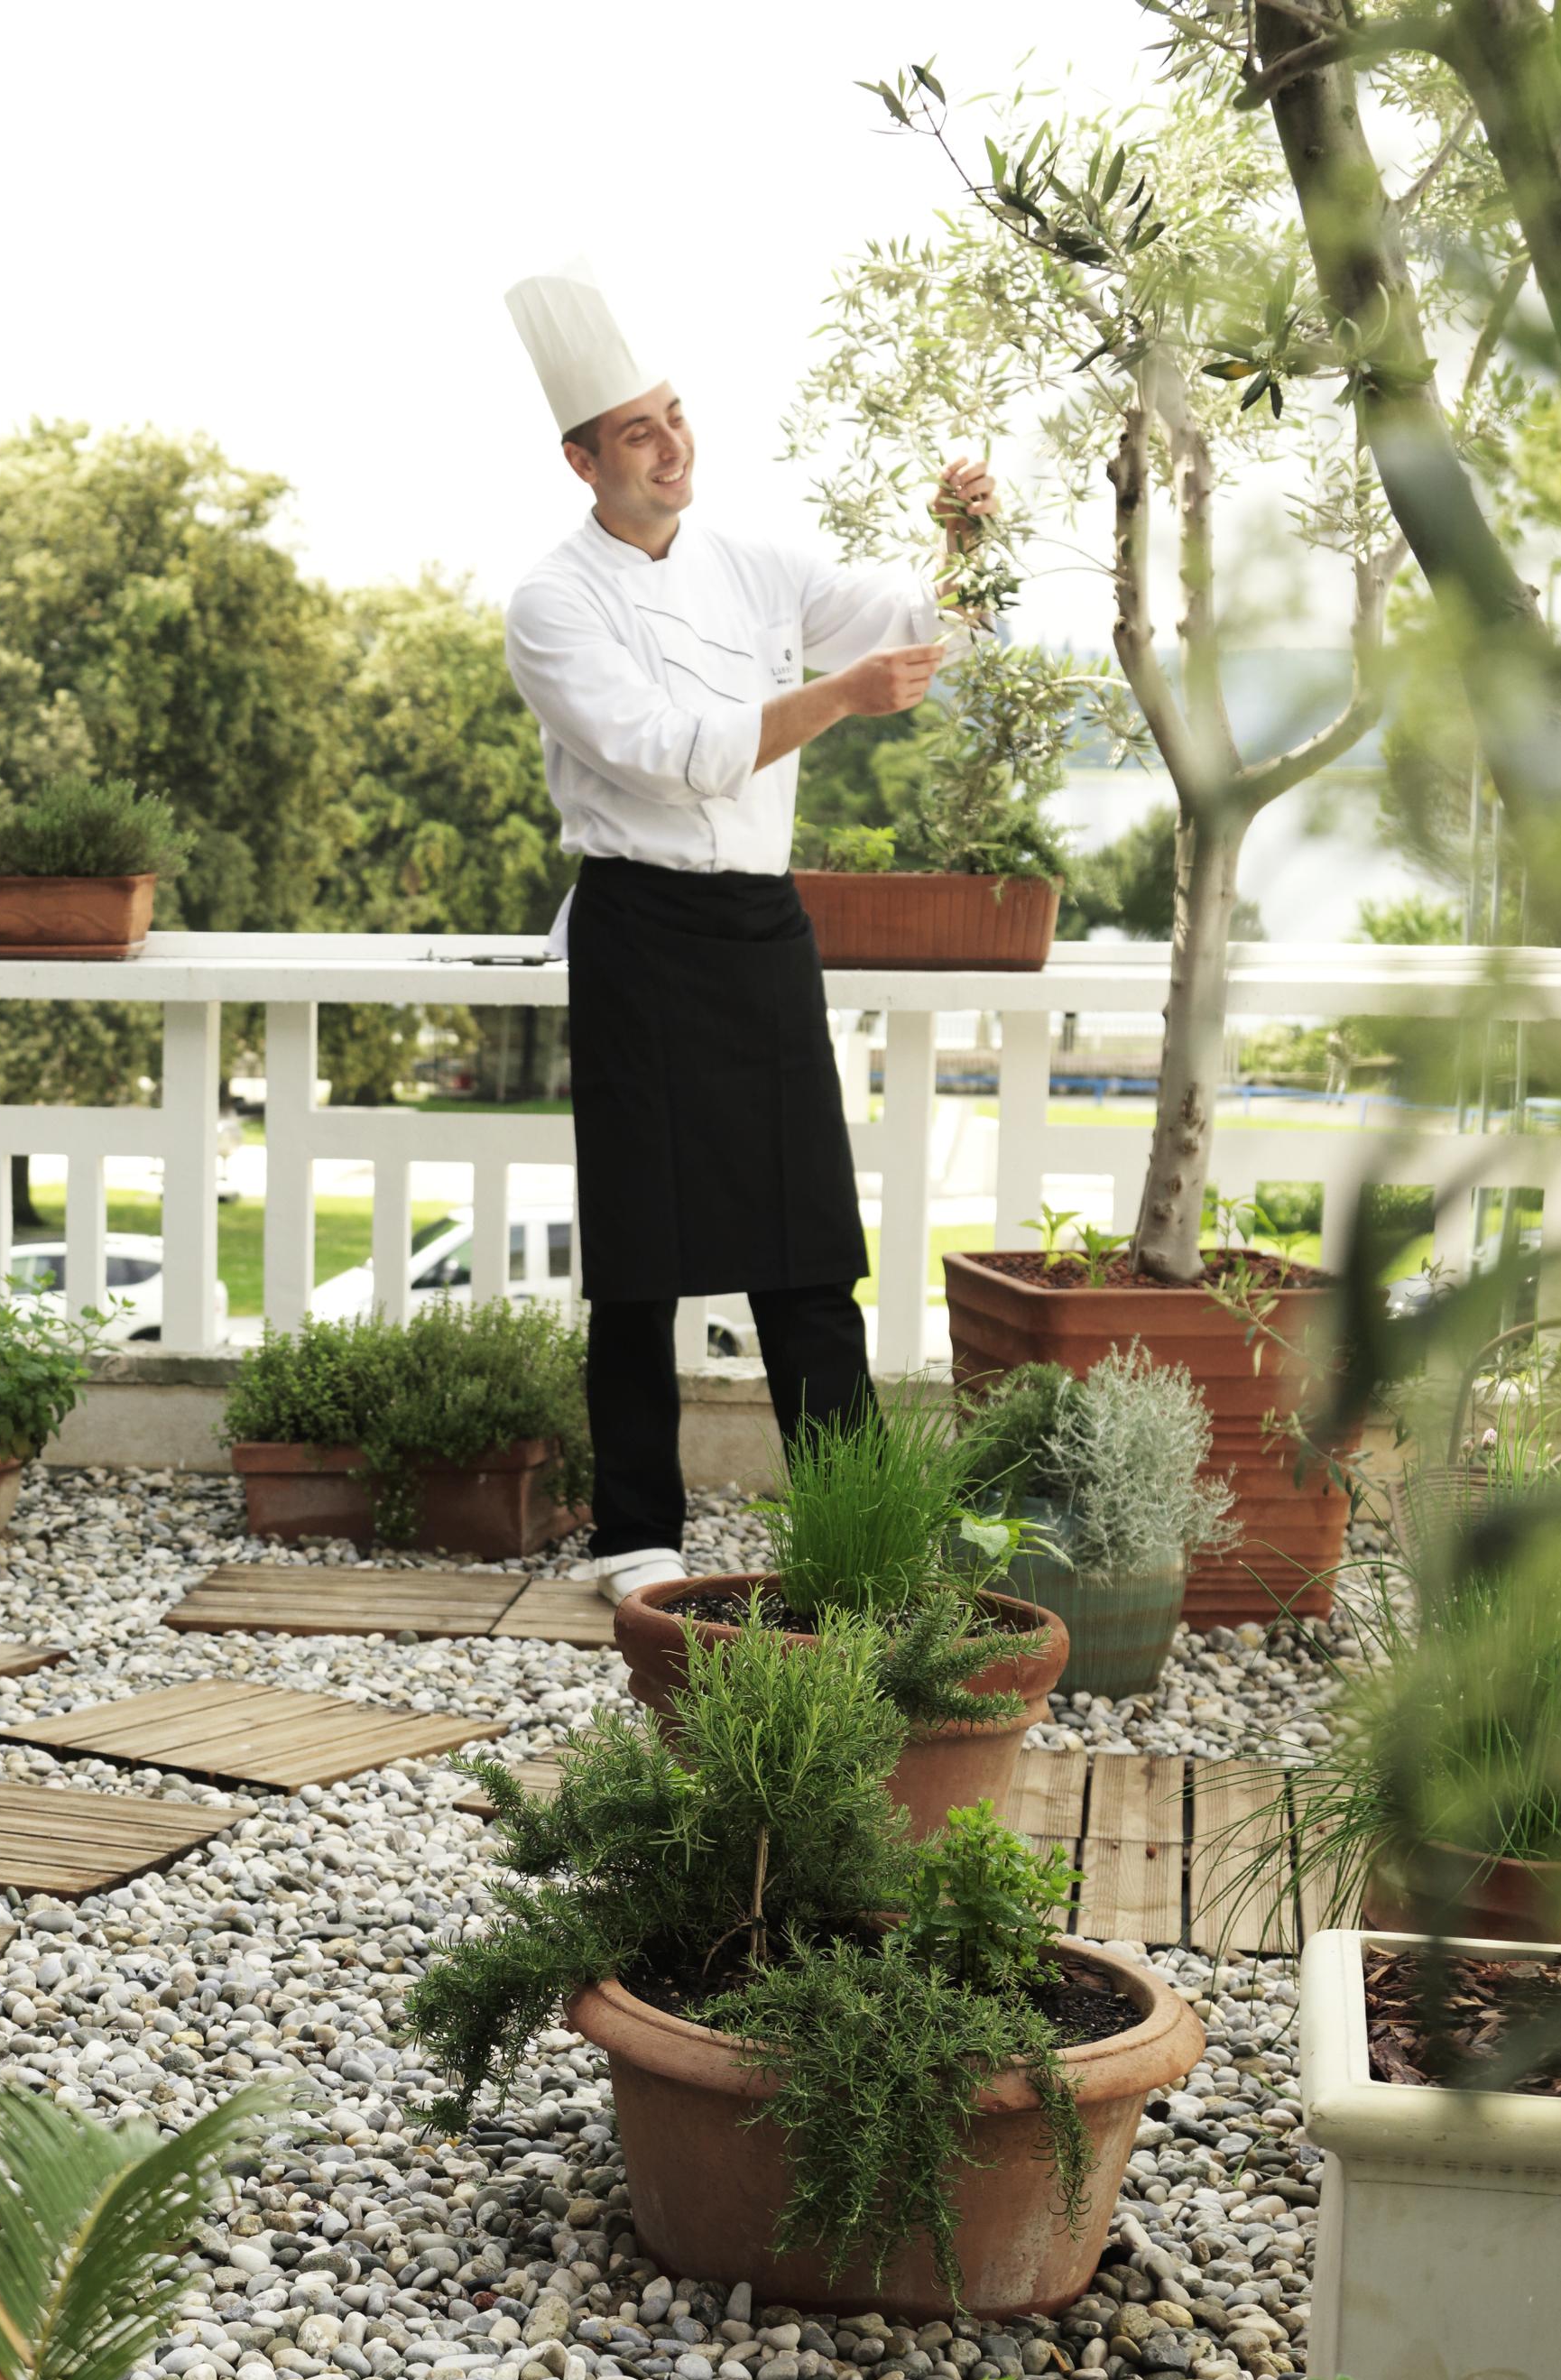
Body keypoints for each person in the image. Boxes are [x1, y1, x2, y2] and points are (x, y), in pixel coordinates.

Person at [495, 262, 992, 1602]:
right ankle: (637, 1537)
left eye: (676, 416)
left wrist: (960, 545)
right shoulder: (553, 604)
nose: (672, 445)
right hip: (641, 930)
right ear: (582, 458)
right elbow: (675, 752)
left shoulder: (750, 566)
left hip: (763, 930)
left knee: (807, 1244)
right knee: (641, 1252)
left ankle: (858, 1532)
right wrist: (834, 699)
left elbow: (899, 622)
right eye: (640, 431)